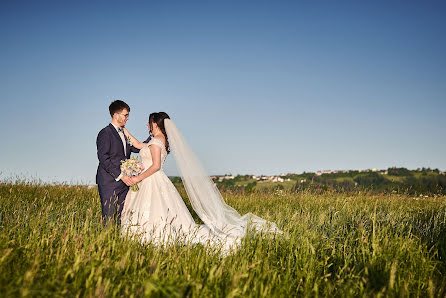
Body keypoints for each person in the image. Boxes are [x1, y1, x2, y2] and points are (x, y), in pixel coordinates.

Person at [121, 112, 281, 252]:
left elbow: (155, 166)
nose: (147, 124)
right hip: (152, 180)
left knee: (154, 209)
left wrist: (137, 178)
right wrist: (122, 127)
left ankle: (151, 237)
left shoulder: (156, 142)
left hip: (150, 179)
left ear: (155, 123)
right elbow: (137, 144)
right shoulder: (158, 140)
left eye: (149, 122)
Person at [95, 100, 149, 225]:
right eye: (125, 115)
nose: (127, 118)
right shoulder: (105, 133)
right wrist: (121, 176)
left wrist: (153, 135)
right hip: (109, 182)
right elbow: (103, 158)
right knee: (109, 218)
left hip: (124, 184)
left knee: (122, 217)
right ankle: (107, 242)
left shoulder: (124, 133)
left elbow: (136, 147)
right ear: (115, 115)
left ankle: (119, 242)